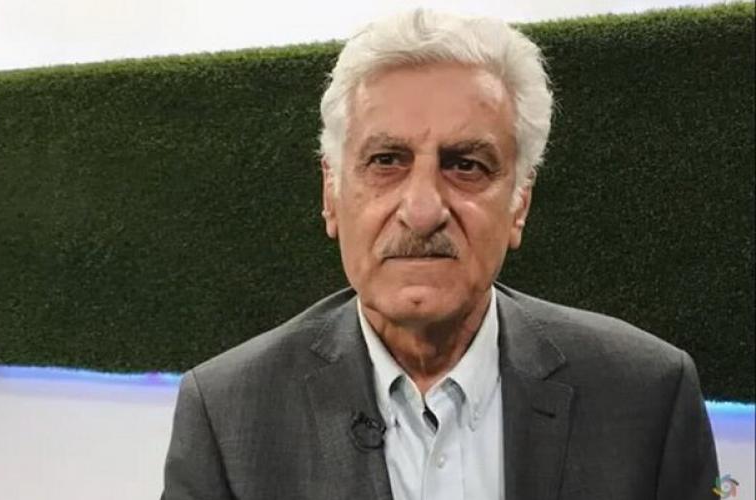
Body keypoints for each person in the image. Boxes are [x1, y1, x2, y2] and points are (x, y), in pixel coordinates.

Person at [162, 9, 718, 500]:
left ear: (519, 204)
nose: (423, 210)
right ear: (331, 194)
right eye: (386, 161)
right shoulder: (226, 414)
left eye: (466, 165)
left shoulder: (649, 395)